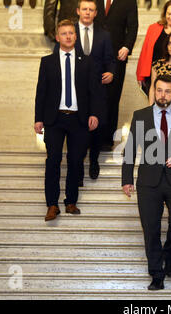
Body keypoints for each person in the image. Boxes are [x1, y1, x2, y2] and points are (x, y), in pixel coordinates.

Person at [122, 75, 171, 290]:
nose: (163, 95)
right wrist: (126, 179)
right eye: (159, 90)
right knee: (151, 229)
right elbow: (130, 148)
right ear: (153, 91)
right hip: (148, 182)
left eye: (167, 91)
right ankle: (156, 274)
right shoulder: (140, 115)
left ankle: (169, 254)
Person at [34, 19, 105, 222]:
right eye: (63, 33)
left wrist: (94, 114)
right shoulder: (47, 62)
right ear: (57, 37)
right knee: (53, 160)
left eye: (71, 33)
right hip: (54, 119)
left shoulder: (88, 62)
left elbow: (95, 92)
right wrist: (38, 119)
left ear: (75, 36)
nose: (67, 36)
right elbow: (41, 93)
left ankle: (71, 201)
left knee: (75, 161)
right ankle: (52, 205)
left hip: (79, 119)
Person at [52, 0, 116, 181]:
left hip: (97, 90)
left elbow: (110, 59)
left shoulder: (104, 35)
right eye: (85, 9)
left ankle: (94, 160)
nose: (87, 12)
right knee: (79, 132)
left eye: (91, 10)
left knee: (97, 129)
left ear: (96, 13)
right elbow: (59, 55)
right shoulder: (69, 33)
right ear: (78, 11)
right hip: (74, 90)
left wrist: (111, 72)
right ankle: (77, 168)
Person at [95, 0, 139, 150]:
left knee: (112, 99)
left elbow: (133, 27)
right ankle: (90, 138)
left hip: (117, 58)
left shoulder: (129, 1)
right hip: (93, 57)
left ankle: (107, 141)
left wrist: (127, 47)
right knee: (91, 97)